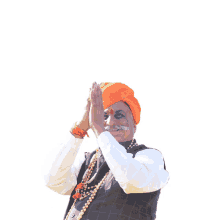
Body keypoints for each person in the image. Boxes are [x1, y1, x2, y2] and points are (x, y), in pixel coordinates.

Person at [44, 82, 169, 220]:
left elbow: (131, 181)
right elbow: (54, 181)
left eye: (119, 115)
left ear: (134, 124)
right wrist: (80, 129)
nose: (110, 122)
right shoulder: (89, 161)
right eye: (103, 117)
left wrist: (99, 129)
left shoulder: (149, 157)